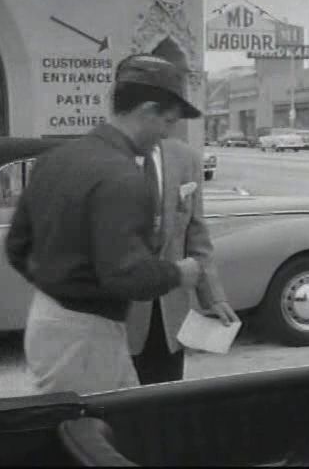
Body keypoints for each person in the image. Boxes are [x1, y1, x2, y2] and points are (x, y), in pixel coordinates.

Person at [5, 54, 210, 395]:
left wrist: (59, 282)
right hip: (87, 333)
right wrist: (180, 274)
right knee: (90, 434)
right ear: (146, 111)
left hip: (46, 318)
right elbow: (124, 275)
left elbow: (16, 248)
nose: (166, 135)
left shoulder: (56, 158)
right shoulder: (123, 176)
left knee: (115, 418)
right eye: (168, 123)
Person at [116, 55, 240, 386]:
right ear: (146, 110)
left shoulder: (184, 159)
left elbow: (197, 237)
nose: (172, 128)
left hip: (171, 317)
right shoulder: (99, 160)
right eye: (169, 119)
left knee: (165, 405)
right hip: (117, 320)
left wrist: (213, 297)